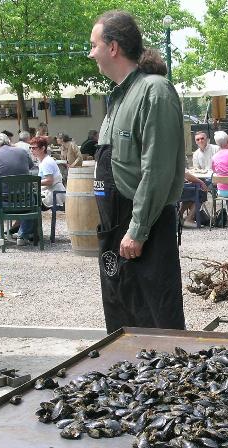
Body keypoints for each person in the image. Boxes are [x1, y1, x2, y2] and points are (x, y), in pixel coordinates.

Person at [89, 10, 185, 331]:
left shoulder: (154, 91)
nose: (91, 53)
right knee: (122, 322)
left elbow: (157, 169)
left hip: (145, 230)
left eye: (94, 45)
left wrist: (137, 229)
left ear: (113, 47)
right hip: (114, 230)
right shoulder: (117, 99)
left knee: (158, 322)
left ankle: (171, 381)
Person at [0, 132, 34, 239]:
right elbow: (31, 166)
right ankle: (24, 235)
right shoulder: (22, 152)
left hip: (2, 203)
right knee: (35, 199)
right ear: (9, 142)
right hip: (25, 201)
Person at [30, 135, 66, 210]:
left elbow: (49, 181)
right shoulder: (45, 160)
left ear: (43, 148)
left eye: (34, 148)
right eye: (30, 148)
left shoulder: (46, 162)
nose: (31, 150)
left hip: (52, 195)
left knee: (27, 202)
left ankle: (20, 221)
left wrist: (33, 182)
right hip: (52, 193)